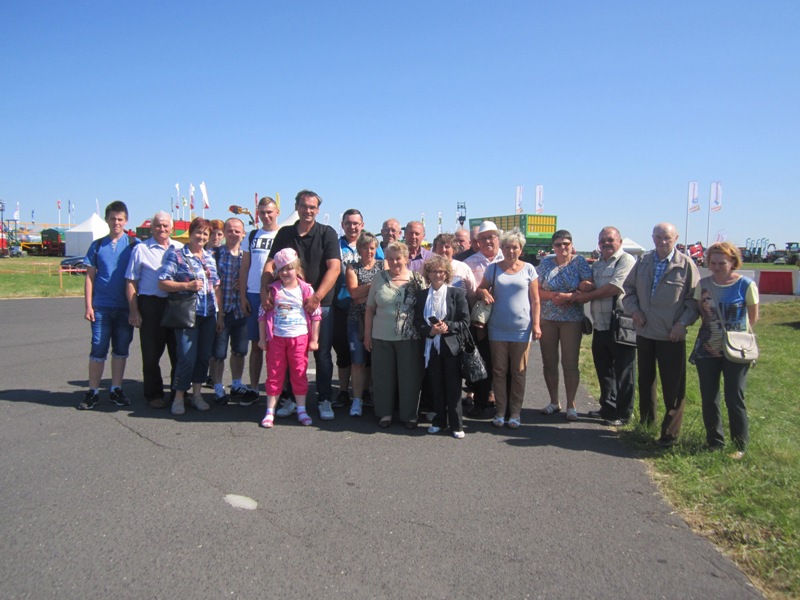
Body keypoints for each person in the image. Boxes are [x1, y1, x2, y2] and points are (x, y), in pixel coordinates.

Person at [263, 190, 341, 421]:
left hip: (321, 305)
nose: (308, 211)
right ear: (296, 207)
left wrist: (316, 297)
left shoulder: (327, 233)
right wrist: (265, 288)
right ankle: (289, 399)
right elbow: (270, 264)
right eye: (304, 206)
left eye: (313, 207)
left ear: (318, 210)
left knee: (322, 355)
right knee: (287, 356)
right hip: (288, 305)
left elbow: (334, 268)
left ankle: (324, 399)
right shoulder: (285, 233)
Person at [622, 222, 700, 447]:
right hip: (645, 331)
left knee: (673, 385)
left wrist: (682, 324)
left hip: (671, 335)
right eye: (657, 237)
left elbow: (693, 301)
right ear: (652, 238)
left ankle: (670, 434)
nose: (662, 241)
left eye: (666, 237)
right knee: (646, 380)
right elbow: (628, 291)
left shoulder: (685, 265)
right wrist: (634, 311)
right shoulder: (644, 262)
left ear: (675, 238)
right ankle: (646, 425)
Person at [689, 242, 758, 458]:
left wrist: (736, 337)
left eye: (722, 262)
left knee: (734, 396)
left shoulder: (745, 285)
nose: (717, 266)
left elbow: (752, 317)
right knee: (709, 397)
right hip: (707, 348)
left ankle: (740, 445)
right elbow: (702, 312)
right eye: (713, 262)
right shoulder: (703, 284)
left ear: (733, 262)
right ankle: (714, 441)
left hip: (737, 349)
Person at [78, 200, 140, 410]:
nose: (116, 222)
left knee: (121, 350)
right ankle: (93, 391)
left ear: (126, 221)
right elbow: (90, 278)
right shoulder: (97, 246)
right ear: (107, 219)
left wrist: (136, 308)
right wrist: (89, 305)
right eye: (113, 218)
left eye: (120, 219)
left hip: (125, 307)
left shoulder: (134, 245)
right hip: (101, 307)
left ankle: (116, 388)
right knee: (98, 348)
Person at [476, 229, 541, 428]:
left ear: (521, 249)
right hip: (498, 328)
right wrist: (484, 293)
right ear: (501, 248)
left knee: (519, 372)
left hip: (522, 329)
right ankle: (500, 411)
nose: (511, 250)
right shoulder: (493, 268)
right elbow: (480, 288)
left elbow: (536, 300)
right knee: (499, 371)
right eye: (507, 247)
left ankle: (515, 412)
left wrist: (536, 325)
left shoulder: (529, 269)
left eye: (515, 247)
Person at [575, 227, 637, 426]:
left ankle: (624, 413)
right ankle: (608, 408)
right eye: (602, 241)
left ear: (619, 241)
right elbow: (591, 282)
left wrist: (586, 296)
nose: (606, 243)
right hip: (600, 324)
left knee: (624, 370)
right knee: (604, 369)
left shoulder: (625, 260)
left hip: (619, 323)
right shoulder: (599, 263)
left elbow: (614, 288)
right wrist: (585, 284)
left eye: (610, 239)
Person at [158, 217, 220, 416]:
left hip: (208, 313)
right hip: (187, 315)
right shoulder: (177, 255)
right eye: (198, 232)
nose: (201, 237)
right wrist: (186, 286)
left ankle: (197, 394)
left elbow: (215, 285)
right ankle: (178, 397)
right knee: (186, 357)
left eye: (205, 234)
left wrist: (220, 314)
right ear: (191, 233)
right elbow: (163, 282)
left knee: (203, 357)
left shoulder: (210, 257)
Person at [364, 242, 426, 430]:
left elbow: (424, 308)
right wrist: (367, 335)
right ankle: (384, 413)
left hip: (410, 337)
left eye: (398, 258)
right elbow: (369, 308)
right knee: (383, 376)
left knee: (410, 377)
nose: (394, 262)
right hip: (381, 336)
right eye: (390, 258)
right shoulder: (379, 278)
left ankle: (409, 415)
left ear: (406, 259)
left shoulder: (417, 279)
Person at [258, 249, 321, 428]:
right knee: (274, 374)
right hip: (277, 337)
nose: (285, 272)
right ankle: (270, 411)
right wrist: (262, 339)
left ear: (297, 269)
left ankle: (301, 409)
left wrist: (314, 339)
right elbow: (262, 315)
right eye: (281, 269)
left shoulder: (306, 289)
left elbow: (316, 315)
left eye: (289, 268)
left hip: (299, 337)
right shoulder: (273, 290)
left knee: (299, 373)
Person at [125, 211, 183, 409]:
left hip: (176, 304)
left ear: (172, 228)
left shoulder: (180, 248)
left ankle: (178, 393)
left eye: (166, 226)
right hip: (151, 305)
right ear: (151, 228)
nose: (162, 229)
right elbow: (131, 281)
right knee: (151, 354)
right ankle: (154, 394)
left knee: (179, 353)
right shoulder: (141, 249)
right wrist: (134, 311)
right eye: (158, 225)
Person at [537, 230, 594, 421]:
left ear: (572, 244)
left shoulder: (579, 262)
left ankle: (571, 404)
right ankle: (554, 401)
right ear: (553, 246)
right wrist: (557, 297)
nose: (563, 247)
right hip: (548, 318)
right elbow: (535, 290)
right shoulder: (545, 263)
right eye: (559, 244)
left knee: (570, 363)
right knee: (549, 362)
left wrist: (572, 294)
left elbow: (588, 283)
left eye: (566, 244)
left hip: (571, 319)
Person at [413, 255, 470, 438]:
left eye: (441, 271)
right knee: (435, 386)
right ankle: (439, 421)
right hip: (431, 348)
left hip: (451, 347)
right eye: (433, 271)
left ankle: (456, 425)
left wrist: (447, 327)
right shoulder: (422, 295)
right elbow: (417, 321)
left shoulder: (456, 293)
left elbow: (465, 321)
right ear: (428, 274)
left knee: (453, 388)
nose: (437, 274)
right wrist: (430, 331)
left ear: (446, 274)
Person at [208, 217, 255, 405]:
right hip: (223, 311)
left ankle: (236, 384)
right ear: (224, 233)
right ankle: (218, 386)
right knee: (218, 353)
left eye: (237, 231)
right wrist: (218, 313)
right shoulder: (214, 254)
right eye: (230, 230)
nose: (233, 234)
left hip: (241, 311)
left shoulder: (247, 257)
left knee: (240, 351)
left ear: (243, 234)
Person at [239, 197, 280, 404]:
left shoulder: (283, 235)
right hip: (254, 294)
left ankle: (277, 390)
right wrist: (243, 296)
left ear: (277, 212)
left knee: (277, 347)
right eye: (262, 212)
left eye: (269, 212)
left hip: (277, 295)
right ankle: (254, 388)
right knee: (257, 345)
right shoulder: (253, 235)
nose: (266, 216)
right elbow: (245, 267)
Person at [463, 220, 504, 417]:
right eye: (484, 238)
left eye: (492, 237)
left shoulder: (508, 257)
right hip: (480, 322)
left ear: (498, 239)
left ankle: (504, 404)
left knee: (503, 364)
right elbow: (468, 293)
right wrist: (480, 293)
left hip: (505, 320)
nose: (488, 241)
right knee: (482, 361)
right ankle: (480, 401)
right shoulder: (469, 263)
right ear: (477, 242)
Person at [345, 231, 384, 417]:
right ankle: (357, 400)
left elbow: (385, 292)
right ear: (359, 249)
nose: (369, 251)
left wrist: (365, 293)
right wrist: (375, 286)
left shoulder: (383, 266)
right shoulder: (352, 268)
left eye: (372, 248)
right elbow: (353, 293)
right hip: (357, 320)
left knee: (376, 362)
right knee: (358, 361)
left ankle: (374, 396)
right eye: (365, 248)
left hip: (379, 318)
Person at [432, 232, 476, 303]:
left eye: (447, 247)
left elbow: (472, 294)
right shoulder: (428, 268)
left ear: (454, 249)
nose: (443, 250)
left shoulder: (463, 268)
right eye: (440, 246)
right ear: (435, 249)